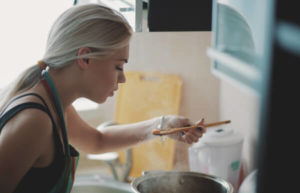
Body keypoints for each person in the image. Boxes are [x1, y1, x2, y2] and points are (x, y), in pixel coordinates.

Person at [0, 3, 206, 193]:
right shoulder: (35, 120)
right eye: (118, 66)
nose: (123, 78)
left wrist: (164, 125)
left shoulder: (54, 102)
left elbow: (97, 141)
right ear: (85, 58)